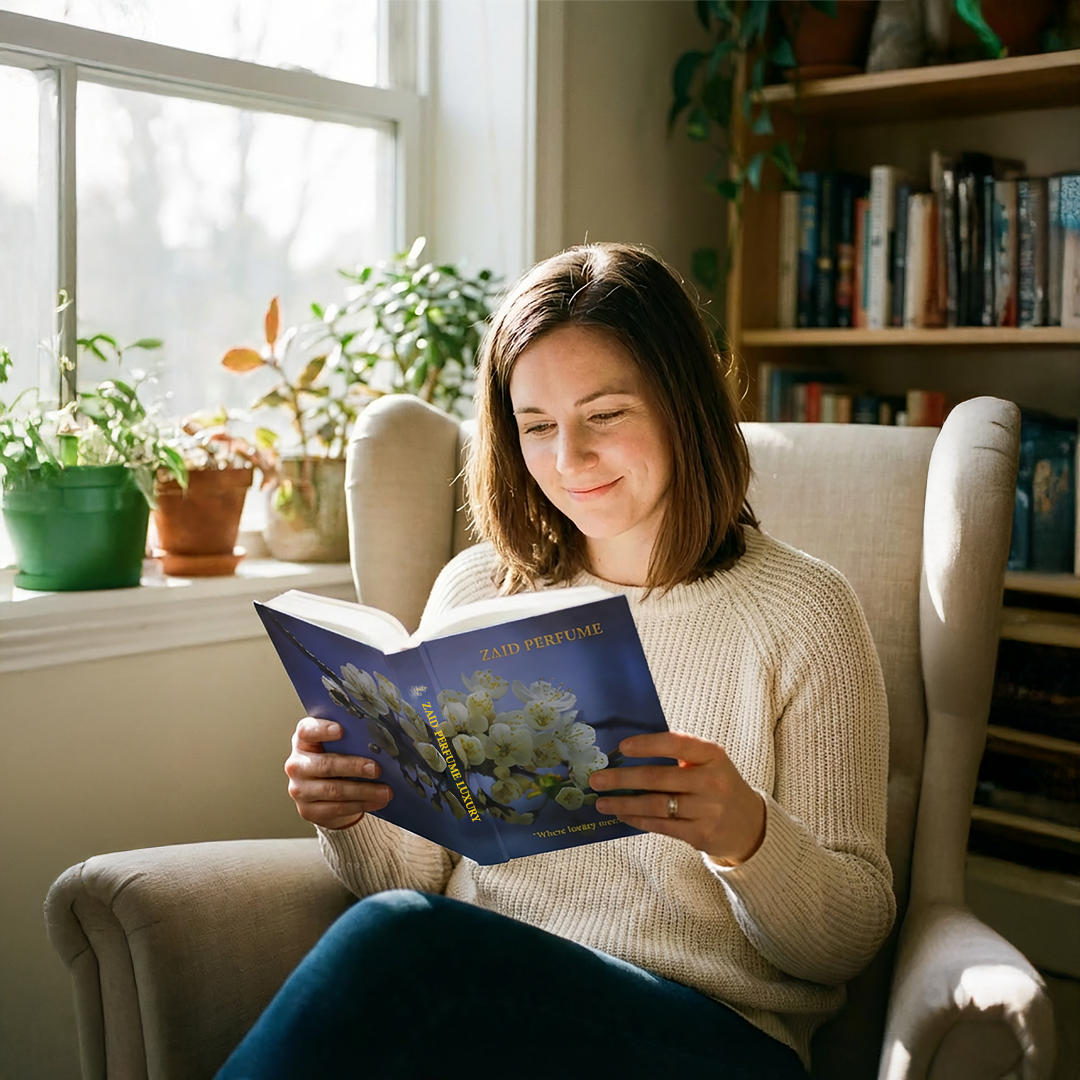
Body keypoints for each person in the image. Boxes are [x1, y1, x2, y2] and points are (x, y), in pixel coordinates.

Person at [217, 243, 895, 1079]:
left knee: (400, 944)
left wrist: (745, 835)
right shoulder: (476, 589)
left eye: (604, 414)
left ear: (683, 406)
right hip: (486, 1007)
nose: (568, 460)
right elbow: (415, 877)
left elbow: (850, 942)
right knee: (403, 936)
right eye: (537, 427)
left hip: (706, 1037)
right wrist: (350, 811)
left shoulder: (803, 612)